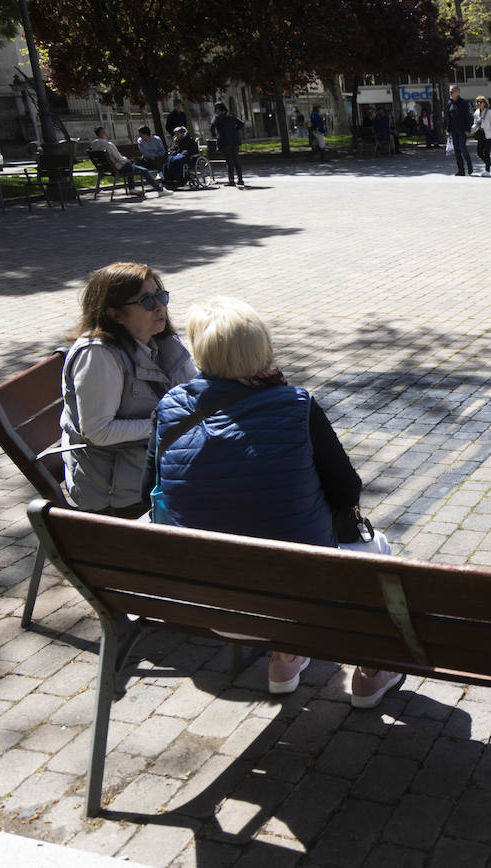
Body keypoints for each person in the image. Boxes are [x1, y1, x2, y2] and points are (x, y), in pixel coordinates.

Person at [144, 296, 404, 706]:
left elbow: (152, 491)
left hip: (203, 597)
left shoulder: (170, 407)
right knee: (379, 551)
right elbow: (346, 488)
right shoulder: (295, 403)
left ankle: (285, 658)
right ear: (261, 349)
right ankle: (372, 672)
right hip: (298, 591)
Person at [60, 263, 197, 517]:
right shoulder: (98, 355)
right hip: (115, 489)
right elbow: (97, 432)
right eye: (146, 301)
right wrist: (168, 424)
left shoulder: (158, 340)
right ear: (116, 314)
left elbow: (194, 392)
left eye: (160, 296)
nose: (159, 306)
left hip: (147, 466)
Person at [89, 127, 168, 194]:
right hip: (118, 168)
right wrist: (127, 160)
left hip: (105, 169)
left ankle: (132, 189)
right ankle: (160, 190)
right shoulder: (109, 144)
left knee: (130, 166)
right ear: (103, 133)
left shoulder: (93, 144)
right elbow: (119, 158)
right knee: (144, 170)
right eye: (105, 132)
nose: (107, 133)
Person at [210, 101, 246, 188]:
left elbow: (212, 127)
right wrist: (235, 130)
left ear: (217, 109)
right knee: (236, 160)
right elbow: (241, 123)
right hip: (234, 140)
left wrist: (215, 135)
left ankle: (231, 180)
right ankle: (240, 180)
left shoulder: (217, 118)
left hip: (224, 141)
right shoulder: (231, 116)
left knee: (229, 161)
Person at [446, 85, 474, 177]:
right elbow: (448, 118)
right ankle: (461, 170)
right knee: (457, 151)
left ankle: (469, 165)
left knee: (462, 148)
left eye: (452, 91)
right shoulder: (449, 103)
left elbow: (468, 117)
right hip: (453, 131)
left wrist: (468, 129)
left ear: (457, 92)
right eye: (450, 91)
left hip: (462, 130)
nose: (450, 93)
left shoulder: (463, 103)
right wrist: (448, 130)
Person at [470, 95, 491, 176]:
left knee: (486, 153)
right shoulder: (476, 113)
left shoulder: (489, 112)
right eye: (477, 102)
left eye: (480, 102)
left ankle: (487, 170)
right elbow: (475, 124)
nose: (478, 104)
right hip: (480, 134)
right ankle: (488, 164)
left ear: (485, 103)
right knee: (479, 152)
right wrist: (470, 131)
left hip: (488, 135)